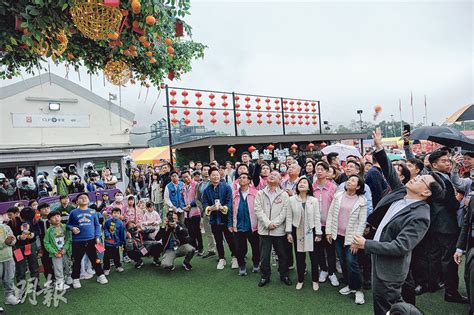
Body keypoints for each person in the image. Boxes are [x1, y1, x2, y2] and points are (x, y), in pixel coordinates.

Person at [353, 128, 446, 314]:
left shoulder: (420, 215)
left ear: (426, 193)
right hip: (379, 261)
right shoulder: (402, 192)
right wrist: (379, 147)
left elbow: (400, 247)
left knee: (387, 308)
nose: (415, 178)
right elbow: (389, 171)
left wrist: (366, 244)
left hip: (390, 271)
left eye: (421, 179)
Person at [424, 148, 466, 303]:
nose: (447, 163)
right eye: (444, 161)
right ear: (434, 164)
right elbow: (452, 204)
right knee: (448, 259)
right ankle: (451, 292)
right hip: (446, 225)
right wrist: (460, 200)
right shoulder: (440, 179)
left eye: (448, 160)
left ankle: (433, 283)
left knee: (435, 256)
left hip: (435, 224)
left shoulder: (433, 176)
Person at [326, 175, 367, 305]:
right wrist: (328, 231)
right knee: (343, 260)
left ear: (358, 186)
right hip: (337, 234)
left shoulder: (362, 200)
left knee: (352, 262)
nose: (349, 181)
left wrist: (357, 240)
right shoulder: (338, 195)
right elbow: (331, 214)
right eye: (349, 179)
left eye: (353, 181)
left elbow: (362, 222)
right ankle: (350, 285)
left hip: (352, 237)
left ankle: (358, 290)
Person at [255, 170, 292, 287]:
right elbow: (258, 209)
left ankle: (284, 275)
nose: (272, 176)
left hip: (278, 230)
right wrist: (267, 223)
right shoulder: (260, 193)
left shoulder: (284, 194)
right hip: (264, 230)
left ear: (280, 180)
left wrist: (274, 224)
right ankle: (265, 276)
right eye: (271, 174)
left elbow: (285, 211)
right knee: (264, 256)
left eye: (275, 175)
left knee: (282, 254)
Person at [286, 177, 322, 291]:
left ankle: (315, 280)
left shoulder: (314, 200)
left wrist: (319, 233)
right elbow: (289, 217)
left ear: (309, 187)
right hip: (297, 230)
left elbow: (317, 217)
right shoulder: (291, 200)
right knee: (299, 257)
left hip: (311, 231)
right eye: (300, 182)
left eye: (304, 182)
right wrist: (288, 232)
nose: (302, 184)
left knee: (314, 257)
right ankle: (300, 279)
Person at [67, 193, 108, 288]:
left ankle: (100, 275)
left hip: (91, 240)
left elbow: (97, 225)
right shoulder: (73, 212)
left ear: (89, 200)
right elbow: (68, 225)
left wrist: (97, 236)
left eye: (85, 197)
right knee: (77, 260)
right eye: (81, 198)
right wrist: (72, 228)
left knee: (95, 259)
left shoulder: (93, 212)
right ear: (77, 201)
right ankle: (76, 278)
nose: (83, 199)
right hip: (77, 241)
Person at [202, 167, 237, 270]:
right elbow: (204, 203)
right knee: (218, 240)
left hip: (226, 219)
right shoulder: (207, 190)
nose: (216, 176)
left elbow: (229, 201)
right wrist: (210, 208)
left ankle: (235, 257)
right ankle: (221, 258)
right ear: (209, 176)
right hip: (214, 219)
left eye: (217, 174)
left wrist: (223, 208)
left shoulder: (226, 187)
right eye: (213, 175)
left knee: (230, 239)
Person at [312, 161, 339, 286]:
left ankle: (332, 272)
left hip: (329, 224)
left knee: (330, 249)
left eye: (322, 169)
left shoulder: (333, 188)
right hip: (315, 224)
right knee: (318, 249)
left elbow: (336, 208)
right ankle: (323, 269)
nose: (319, 171)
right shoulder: (312, 187)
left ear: (327, 172)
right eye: (317, 168)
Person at [229, 173, 260, 276]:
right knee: (239, 248)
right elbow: (230, 210)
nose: (241, 179)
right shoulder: (234, 194)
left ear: (249, 181)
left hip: (253, 226)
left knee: (256, 247)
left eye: (244, 177)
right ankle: (241, 265)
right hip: (238, 226)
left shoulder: (256, 193)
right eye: (240, 178)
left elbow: (260, 209)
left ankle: (256, 263)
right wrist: (230, 224)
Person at [10, 207, 40, 295]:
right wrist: (19, 237)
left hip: (31, 245)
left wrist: (33, 234)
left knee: (34, 266)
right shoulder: (12, 222)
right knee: (20, 268)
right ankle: (21, 289)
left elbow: (38, 230)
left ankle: (36, 286)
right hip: (18, 247)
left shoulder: (34, 220)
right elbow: (9, 233)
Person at [454, 185, 474, 314]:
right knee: (469, 279)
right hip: (472, 248)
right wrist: (460, 248)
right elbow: (467, 223)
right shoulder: (473, 198)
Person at [43, 211, 72, 291]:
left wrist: (65, 248)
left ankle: (68, 277)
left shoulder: (65, 227)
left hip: (65, 252)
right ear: (49, 221)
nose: (56, 218)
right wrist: (53, 251)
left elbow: (69, 239)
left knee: (68, 264)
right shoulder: (49, 230)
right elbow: (46, 242)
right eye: (53, 217)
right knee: (58, 268)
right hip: (55, 253)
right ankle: (60, 283)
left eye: (58, 216)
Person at [196, 165, 216, 259]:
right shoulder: (199, 184)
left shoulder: (214, 183)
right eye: (204, 170)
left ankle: (220, 250)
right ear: (201, 171)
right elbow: (197, 198)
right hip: (204, 210)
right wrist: (201, 207)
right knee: (208, 230)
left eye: (208, 170)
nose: (206, 171)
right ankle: (211, 249)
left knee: (216, 230)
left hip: (214, 209)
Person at [182, 170, 203, 256]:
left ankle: (201, 248)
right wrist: (184, 206)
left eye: (187, 176)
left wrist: (190, 205)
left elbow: (198, 198)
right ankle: (194, 247)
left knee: (197, 231)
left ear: (190, 176)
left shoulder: (196, 185)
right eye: (183, 177)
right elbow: (183, 198)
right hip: (187, 213)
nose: (186, 178)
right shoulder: (183, 187)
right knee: (191, 232)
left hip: (195, 212)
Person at [0, 221, 20, 307]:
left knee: (9, 278)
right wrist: (4, 243)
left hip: (8, 257)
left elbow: (13, 239)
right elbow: (5, 242)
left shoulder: (5, 227)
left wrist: (11, 242)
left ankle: (9, 296)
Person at [103, 208, 126, 275]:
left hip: (116, 242)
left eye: (118, 213)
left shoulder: (120, 223)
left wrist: (122, 241)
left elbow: (122, 233)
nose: (116, 214)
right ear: (111, 214)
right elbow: (105, 229)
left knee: (116, 255)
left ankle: (118, 266)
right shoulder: (108, 221)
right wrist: (108, 235)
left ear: (120, 215)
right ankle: (106, 268)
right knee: (107, 255)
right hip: (108, 242)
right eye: (114, 213)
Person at [37, 203, 55, 286]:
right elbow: (37, 236)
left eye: (48, 208)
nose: (46, 210)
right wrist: (39, 247)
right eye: (43, 208)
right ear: (39, 211)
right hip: (43, 246)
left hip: (54, 246)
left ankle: (57, 279)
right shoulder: (37, 222)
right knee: (46, 263)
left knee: (56, 262)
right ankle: (49, 280)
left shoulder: (54, 220)